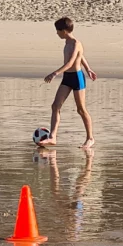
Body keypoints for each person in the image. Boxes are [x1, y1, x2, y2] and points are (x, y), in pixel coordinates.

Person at [38, 17, 97, 149]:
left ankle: (90, 138)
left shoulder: (76, 43)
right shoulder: (67, 42)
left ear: (64, 31)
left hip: (77, 78)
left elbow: (70, 62)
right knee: (55, 106)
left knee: (81, 110)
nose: (57, 33)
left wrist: (54, 73)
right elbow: (80, 56)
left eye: (58, 31)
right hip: (67, 77)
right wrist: (88, 68)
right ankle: (52, 137)